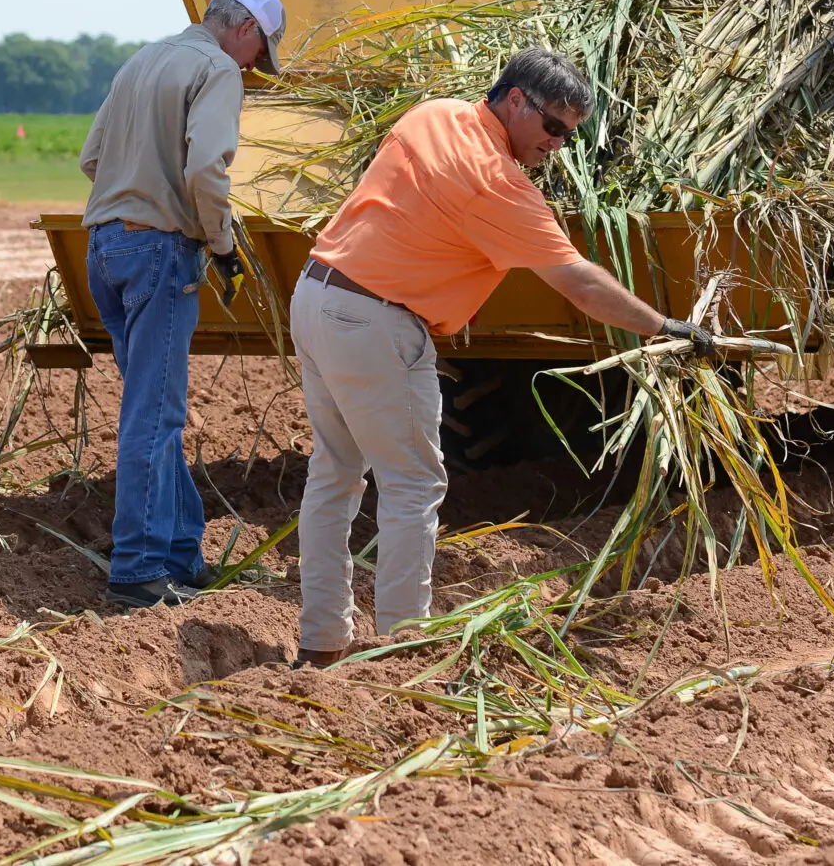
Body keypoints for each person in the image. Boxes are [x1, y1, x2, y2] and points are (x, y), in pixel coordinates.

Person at [291, 46, 717, 667]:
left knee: (335, 475)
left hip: (317, 294)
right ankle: (406, 651)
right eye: (552, 128)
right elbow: (580, 284)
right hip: (375, 323)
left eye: (569, 136)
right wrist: (662, 326)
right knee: (412, 484)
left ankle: (322, 642)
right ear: (514, 99)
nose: (558, 145)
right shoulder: (497, 184)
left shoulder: (432, 114)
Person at [80, 0, 287, 609]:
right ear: (246, 30)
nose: (253, 69)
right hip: (159, 254)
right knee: (155, 414)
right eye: (260, 55)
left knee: (153, 409)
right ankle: (139, 567)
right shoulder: (218, 69)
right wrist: (222, 247)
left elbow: (92, 158)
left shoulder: (142, 59)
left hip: (104, 250)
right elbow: (205, 171)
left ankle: (180, 552)